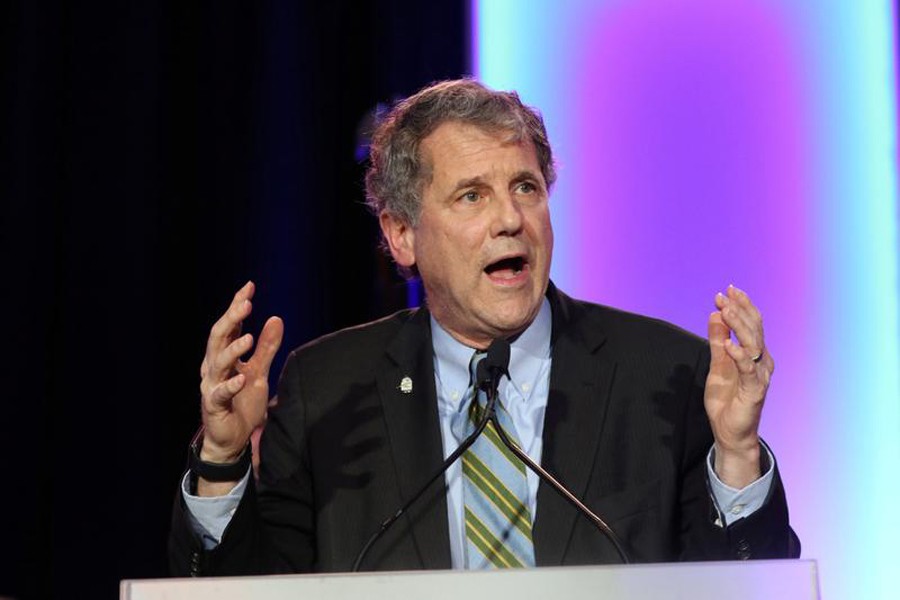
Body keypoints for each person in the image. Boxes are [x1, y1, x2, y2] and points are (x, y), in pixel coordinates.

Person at [169, 79, 799, 576]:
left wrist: (738, 457)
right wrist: (222, 461)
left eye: (525, 187)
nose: (510, 219)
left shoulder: (664, 375)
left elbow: (749, 585)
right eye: (472, 195)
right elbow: (253, 589)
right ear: (402, 235)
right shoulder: (330, 391)